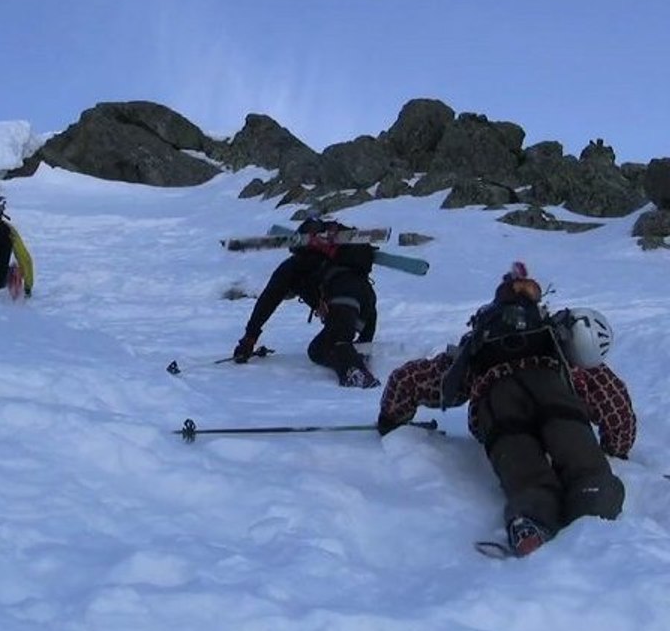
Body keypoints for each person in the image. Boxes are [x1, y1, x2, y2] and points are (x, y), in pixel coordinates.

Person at [376, 262, 636, 556]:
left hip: (498, 401)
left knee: (524, 471)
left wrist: (390, 418)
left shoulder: (480, 341)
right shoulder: (556, 336)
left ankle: (533, 517)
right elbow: (613, 398)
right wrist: (616, 447)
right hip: (554, 388)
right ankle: (594, 502)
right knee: (582, 458)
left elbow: (410, 380)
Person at [231, 216, 380, 388]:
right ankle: (357, 354)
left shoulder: (297, 266)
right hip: (366, 306)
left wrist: (250, 337)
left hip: (343, 301)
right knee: (336, 342)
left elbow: (269, 298)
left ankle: (355, 371)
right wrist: (365, 338)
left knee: (321, 349)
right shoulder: (345, 258)